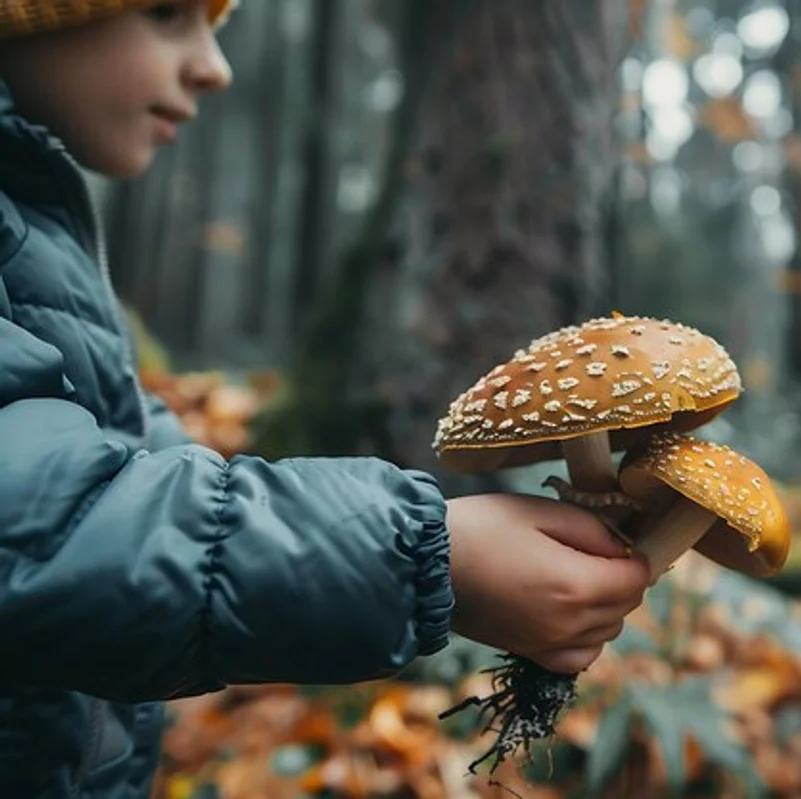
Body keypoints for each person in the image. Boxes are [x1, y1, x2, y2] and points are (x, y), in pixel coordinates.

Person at [0, 1, 651, 795]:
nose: (216, 65)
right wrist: (423, 552)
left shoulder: (34, 223)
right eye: (167, 13)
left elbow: (128, 465)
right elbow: (41, 529)